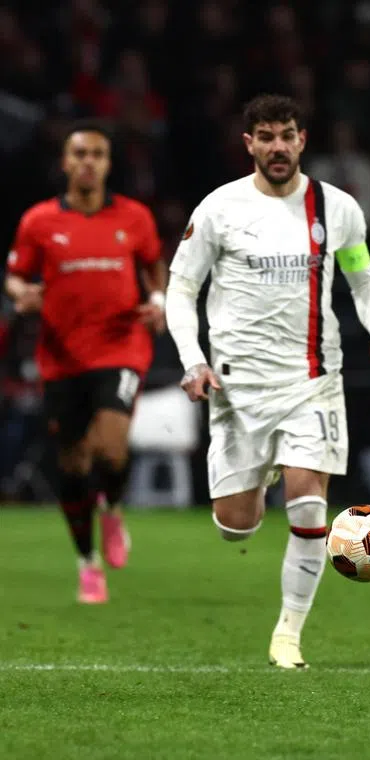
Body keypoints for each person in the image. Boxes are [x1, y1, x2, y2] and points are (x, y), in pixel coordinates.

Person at [164, 94, 370, 669]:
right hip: (236, 387)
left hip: (312, 381)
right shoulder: (220, 209)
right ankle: (263, 469)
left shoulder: (337, 208)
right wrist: (193, 361)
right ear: (249, 144)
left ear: (302, 140)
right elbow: (180, 291)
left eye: (287, 135)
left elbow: (363, 281)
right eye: (266, 136)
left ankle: (288, 635)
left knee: (306, 502)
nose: (278, 146)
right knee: (234, 526)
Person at [5, 121, 167, 604]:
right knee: (73, 465)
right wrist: (23, 295)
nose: (88, 162)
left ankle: (113, 510)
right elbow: (15, 277)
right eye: (80, 153)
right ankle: (86, 563)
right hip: (61, 356)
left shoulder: (135, 217)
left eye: (97, 154)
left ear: (108, 163)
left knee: (112, 448)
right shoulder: (38, 222)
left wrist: (157, 299)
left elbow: (153, 264)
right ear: (65, 162)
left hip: (121, 346)